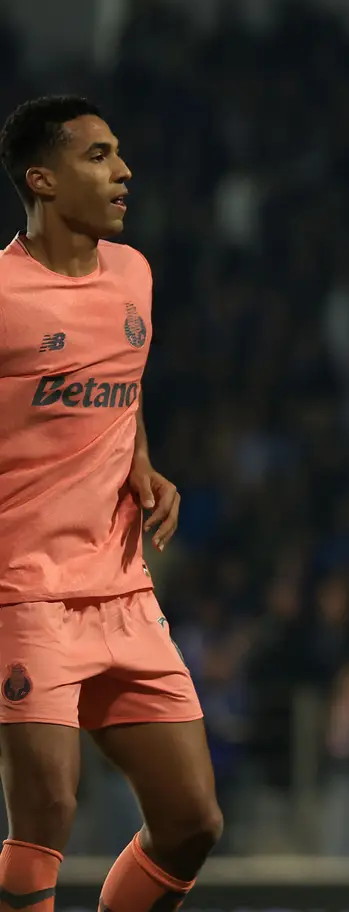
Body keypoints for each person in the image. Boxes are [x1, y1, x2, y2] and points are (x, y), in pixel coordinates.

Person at [0, 95, 224, 912]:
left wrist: (142, 462)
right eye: (98, 156)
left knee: (191, 822)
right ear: (43, 180)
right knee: (47, 812)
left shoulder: (134, 275)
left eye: (119, 154)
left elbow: (122, 387)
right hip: (27, 590)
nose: (123, 171)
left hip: (123, 589)